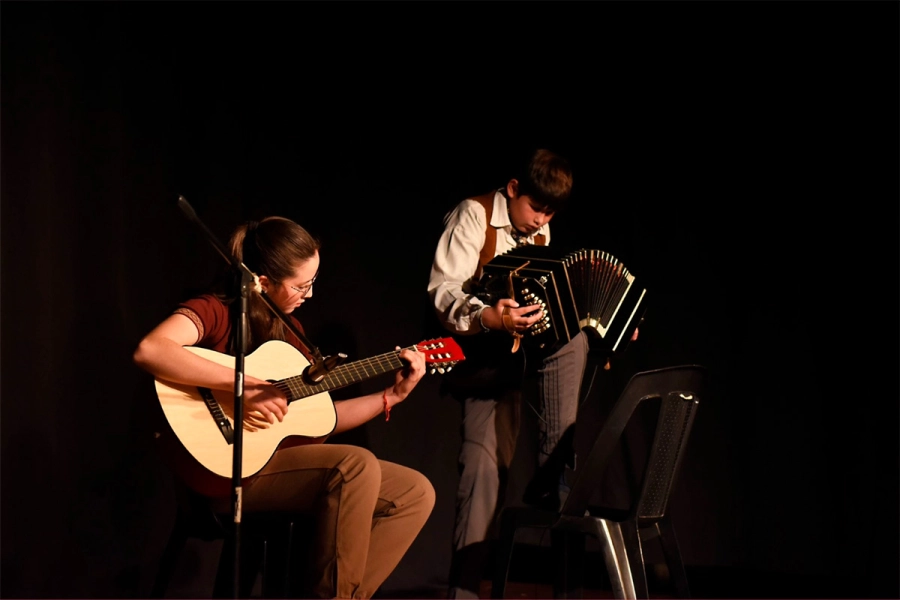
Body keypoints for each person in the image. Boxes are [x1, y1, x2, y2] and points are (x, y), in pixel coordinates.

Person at [134, 216, 436, 600]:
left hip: (272, 464)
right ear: (262, 282)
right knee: (355, 465)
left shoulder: (290, 333)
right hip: (224, 474)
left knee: (414, 492)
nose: (309, 294)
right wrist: (245, 387)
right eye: (301, 285)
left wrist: (392, 396)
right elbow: (151, 349)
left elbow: (322, 419)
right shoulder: (216, 310)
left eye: (313, 282)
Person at [427, 148, 635, 598]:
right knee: (482, 474)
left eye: (550, 213)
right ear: (513, 188)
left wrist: (609, 325)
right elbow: (443, 291)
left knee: (576, 342)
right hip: (484, 363)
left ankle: (555, 476)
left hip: (529, 357)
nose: (541, 220)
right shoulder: (473, 215)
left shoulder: (539, 231)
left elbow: (550, 297)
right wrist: (490, 316)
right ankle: (464, 592)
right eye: (536, 208)